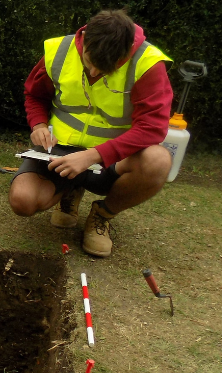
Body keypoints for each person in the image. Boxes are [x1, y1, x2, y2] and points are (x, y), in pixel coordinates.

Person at [9, 9, 173, 257]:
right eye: (90, 62)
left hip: (114, 159)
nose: (95, 73)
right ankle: (71, 188)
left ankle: (102, 214)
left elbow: (153, 127)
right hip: (59, 150)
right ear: (84, 40)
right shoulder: (59, 50)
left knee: (158, 161)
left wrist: (93, 156)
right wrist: (39, 125)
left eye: (106, 68)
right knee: (22, 201)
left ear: (125, 53)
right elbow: (34, 94)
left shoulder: (147, 63)